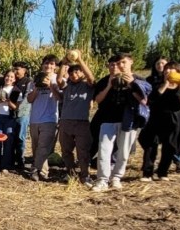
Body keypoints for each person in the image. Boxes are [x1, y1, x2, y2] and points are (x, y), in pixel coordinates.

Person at [91, 53, 151, 192]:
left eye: (123, 62)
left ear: (131, 62)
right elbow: (98, 100)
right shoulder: (106, 80)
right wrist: (108, 85)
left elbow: (143, 101)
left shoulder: (139, 80)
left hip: (129, 121)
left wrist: (131, 84)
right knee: (104, 150)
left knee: (123, 152)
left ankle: (116, 178)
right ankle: (102, 180)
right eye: (118, 63)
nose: (120, 65)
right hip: (107, 119)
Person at [139, 62, 180, 182]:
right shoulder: (156, 83)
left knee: (170, 146)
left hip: (174, 118)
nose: (168, 71)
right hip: (156, 117)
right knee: (151, 145)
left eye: (172, 69)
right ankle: (147, 173)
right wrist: (165, 84)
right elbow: (151, 99)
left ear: (178, 72)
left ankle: (163, 172)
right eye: (166, 69)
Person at [54, 54, 96, 185]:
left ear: (82, 72)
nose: (73, 75)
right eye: (71, 73)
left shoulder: (87, 86)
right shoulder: (67, 87)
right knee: (66, 151)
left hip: (81, 123)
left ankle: (85, 175)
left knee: (82, 151)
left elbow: (91, 77)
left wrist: (79, 60)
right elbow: (59, 80)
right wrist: (64, 64)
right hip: (65, 122)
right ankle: (70, 173)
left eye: (77, 72)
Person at [26, 55, 60, 181]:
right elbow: (29, 100)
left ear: (55, 66)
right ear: (42, 65)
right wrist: (36, 88)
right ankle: (43, 172)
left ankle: (34, 170)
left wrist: (51, 86)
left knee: (43, 147)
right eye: (46, 63)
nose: (48, 66)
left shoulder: (58, 79)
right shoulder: (34, 80)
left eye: (51, 64)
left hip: (50, 118)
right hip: (35, 118)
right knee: (36, 148)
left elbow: (60, 98)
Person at [0, 70, 20, 172]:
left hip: (10, 119)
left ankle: (5, 165)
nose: (9, 78)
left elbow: (16, 108)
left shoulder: (17, 91)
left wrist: (8, 101)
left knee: (8, 140)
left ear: (14, 79)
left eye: (11, 77)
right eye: (7, 76)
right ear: (4, 77)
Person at [12, 61, 32, 169]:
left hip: (22, 114)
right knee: (12, 137)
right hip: (12, 113)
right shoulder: (13, 81)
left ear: (24, 70)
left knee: (20, 137)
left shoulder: (28, 82)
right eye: (14, 69)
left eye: (17, 69)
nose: (15, 71)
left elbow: (27, 98)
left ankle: (20, 160)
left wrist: (19, 109)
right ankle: (12, 158)